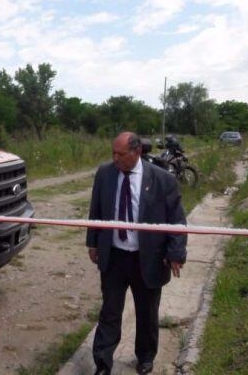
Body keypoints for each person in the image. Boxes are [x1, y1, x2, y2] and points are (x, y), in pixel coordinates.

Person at [87, 132, 187, 375]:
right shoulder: (105, 174)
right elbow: (96, 209)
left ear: (137, 152)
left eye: (121, 154)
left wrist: (176, 252)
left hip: (149, 258)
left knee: (147, 313)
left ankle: (145, 357)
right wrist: (92, 242)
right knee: (110, 311)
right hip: (114, 256)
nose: (115, 158)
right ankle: (102, 362)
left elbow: (176, 219)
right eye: (113, 153)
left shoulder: (162, 180)